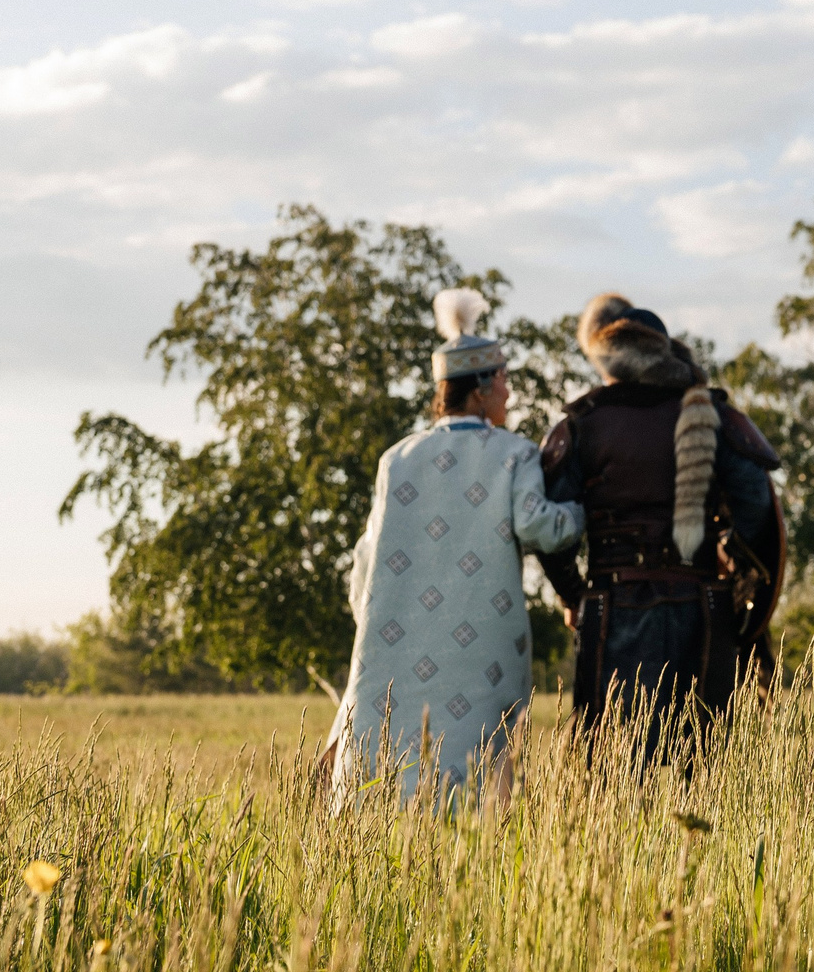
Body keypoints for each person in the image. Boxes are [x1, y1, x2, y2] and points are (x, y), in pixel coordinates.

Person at [317, 288, 584, 811]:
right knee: (477, 760)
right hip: (485, 640)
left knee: (389, 751)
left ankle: (382, 835)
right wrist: (581, 509)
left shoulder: (397, 458)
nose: (509, 392)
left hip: (394, 641)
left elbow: (364, 565)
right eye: (503, 380)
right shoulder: (513, 454)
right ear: (481, 389)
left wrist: (382, 625)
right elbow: (541, 528)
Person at [534, 293, 784, 758]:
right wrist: (733, 559)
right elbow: (756, 505)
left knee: (612, 765)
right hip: (703, 606)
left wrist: (571, 595)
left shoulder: (583, 423)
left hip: (612, 608)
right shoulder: (714, 415)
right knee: (702, 764)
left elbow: (551, 531)